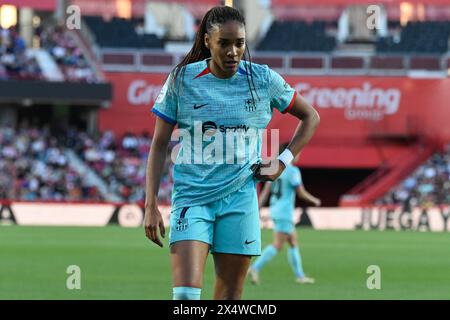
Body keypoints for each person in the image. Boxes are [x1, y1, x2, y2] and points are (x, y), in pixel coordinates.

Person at [144, 6, 320, 300]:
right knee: (186, 297)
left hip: (240, 200)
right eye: (224, 43)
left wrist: (282, 162)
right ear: (207, 42)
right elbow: (160, 144)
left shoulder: (262, 80)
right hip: (192, 198)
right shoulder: (181, 80)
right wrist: (150, 204)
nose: (233, 51)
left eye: (239, 43)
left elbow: (310, 116)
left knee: (228, 300)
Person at [248, 143, 321, 285]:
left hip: (275, 210)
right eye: (297, 151)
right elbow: (301, 192)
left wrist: (258, 209)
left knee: (293, 241)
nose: (299, 154)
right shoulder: (293, 171)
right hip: (284, 213)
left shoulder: (274, 169)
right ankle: (254, 267)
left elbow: (265, 193)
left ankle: (300, 275)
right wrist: (315, 200)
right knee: (278, 245)